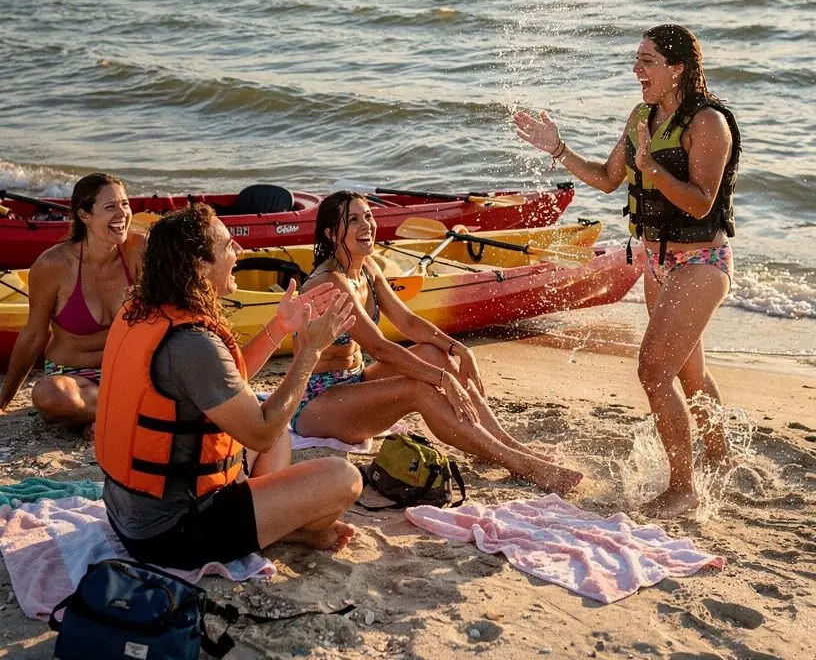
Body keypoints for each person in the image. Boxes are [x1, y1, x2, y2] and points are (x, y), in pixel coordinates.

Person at [514, 23, 740, 519]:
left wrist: (655, 169)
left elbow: (702, 204)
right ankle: (721, 461)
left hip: (701, 261)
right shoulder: (642, 114)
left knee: (653, 370)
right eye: (637, 60)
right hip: (657, 261)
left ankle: (684, 488)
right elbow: (609, 179)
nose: (636, 70)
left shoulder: (707, 124)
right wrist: (558, 149)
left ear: (677, 68)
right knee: (689, 372)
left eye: (647, 61)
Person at [96, 203, 362, 567]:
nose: (239, 252)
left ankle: (273, 524)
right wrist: (310, 351)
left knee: (280, 429)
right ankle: (281, 530)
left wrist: (280, 327)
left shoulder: (143, 311)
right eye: (227, 246)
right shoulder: (191, 343)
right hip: (169, 533)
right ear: (199, 267)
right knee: (343, 478)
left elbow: (223, 384)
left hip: (127, 512)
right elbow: (261, 435)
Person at [290, 191, 582, 494]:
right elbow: (379, 348)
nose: (366, 225)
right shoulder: (330, 282)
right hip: (316, 403)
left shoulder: (367, 267)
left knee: (433, 353)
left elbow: (408, 323)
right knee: (419, 389)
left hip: (354, 382)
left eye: (368, 216)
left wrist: (458, 349)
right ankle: (518, 463)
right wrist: (443, 380)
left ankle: (511, 446)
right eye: (353, 220)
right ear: (330, 233)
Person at [0, 173, 145, 427]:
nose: (122, 214)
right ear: (84, 215)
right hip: (74, 378)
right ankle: (122, 411)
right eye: (110, 207)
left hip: (126, 373)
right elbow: (33, 335)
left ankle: (102, 415)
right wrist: (4, 400)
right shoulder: (53, 265)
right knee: (50, 395)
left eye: (125, 204)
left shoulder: (139, 250)